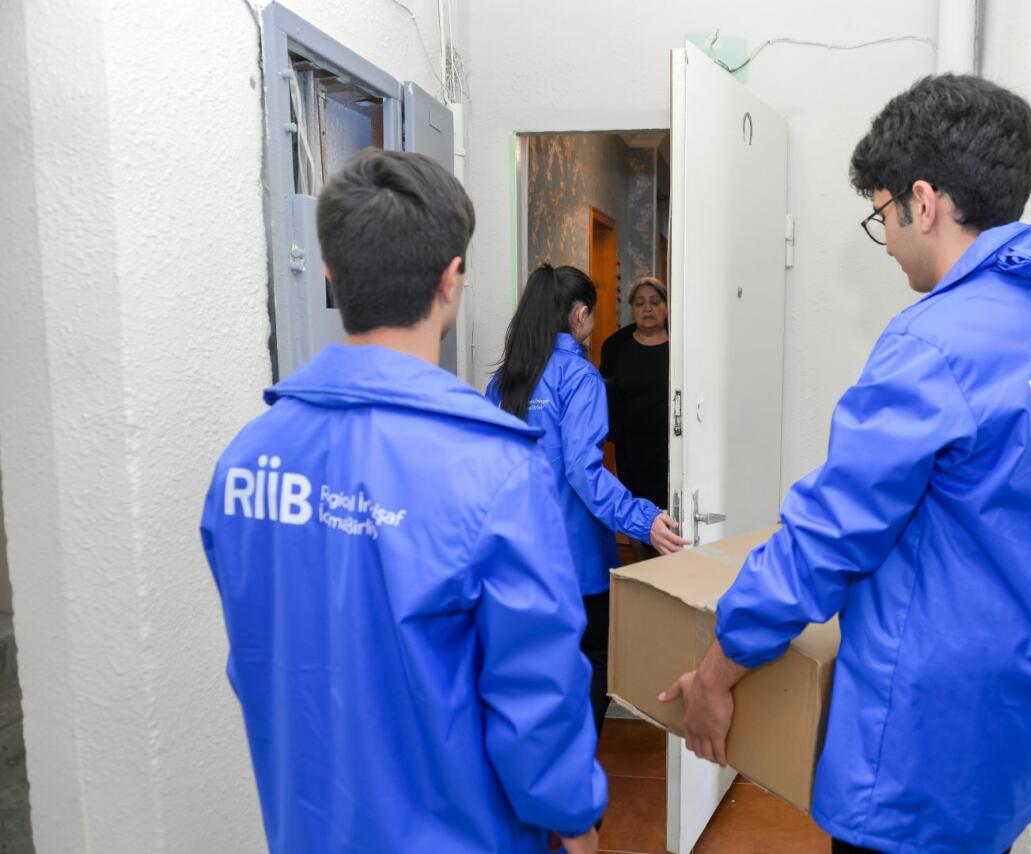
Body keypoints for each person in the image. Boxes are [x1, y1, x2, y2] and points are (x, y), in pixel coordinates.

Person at [661, 75, 1031, 854]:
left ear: (924, 202)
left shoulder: (931, 345)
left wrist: (713, 677)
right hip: (1018, 724)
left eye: (883, 215)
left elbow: (826, 539)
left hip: (923, 747)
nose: (887, 241)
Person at [201, 150, 605, 854]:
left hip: (308, 826)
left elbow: (259, 661)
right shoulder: (497, 471)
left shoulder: (247, 459)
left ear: (331, 274)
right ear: (451, 279)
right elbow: (537, 698)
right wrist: (574, 818)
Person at [488, 264, 688, 735]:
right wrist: (643, 518)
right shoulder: (579, 377)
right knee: (594, 661)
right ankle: (572, 770)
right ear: (580, 315)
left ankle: (536, 766)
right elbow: (583, 470)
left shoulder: (503, 381)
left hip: (514, 560)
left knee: (531, 675)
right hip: (574, 563)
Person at [600, 277, 671, 559]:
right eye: (640, 303)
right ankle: (642, 565)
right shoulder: (615, 346)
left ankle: (671, 564)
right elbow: (607, 396)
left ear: (667, 306)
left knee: (669, 507)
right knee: (635, 504)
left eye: (655, 302)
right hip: (632, 448)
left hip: (670, 446)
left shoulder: (682, 341)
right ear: (631, 308)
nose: (647, 308)